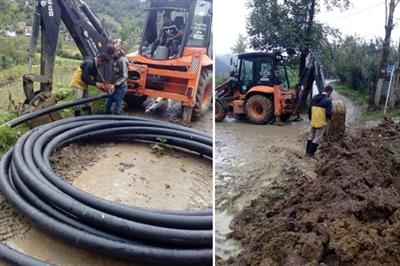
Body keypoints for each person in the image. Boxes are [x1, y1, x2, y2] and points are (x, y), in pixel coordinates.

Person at [306, 85, 333, 155]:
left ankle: (307, 151)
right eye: (331, 93)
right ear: (329, 92)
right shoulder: (328, 100)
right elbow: (328, 113)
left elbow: (309, 109)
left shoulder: (315, 97)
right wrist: (330, 119)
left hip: (313, 120)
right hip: (321, 122)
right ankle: (311, 153)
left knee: (311, 135)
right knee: (317, 138)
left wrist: (310, 119)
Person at [105, 45, 129, 115]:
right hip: (112, 86)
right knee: (108, 104)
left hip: (120, 88)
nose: (110, 57)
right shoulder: (114, 59)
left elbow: (125, 76)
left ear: (115, 53)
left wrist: (115, 84)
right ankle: (105, 120)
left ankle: (116, 121)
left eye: (111, 55)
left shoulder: (122, 60)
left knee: (117, 106)